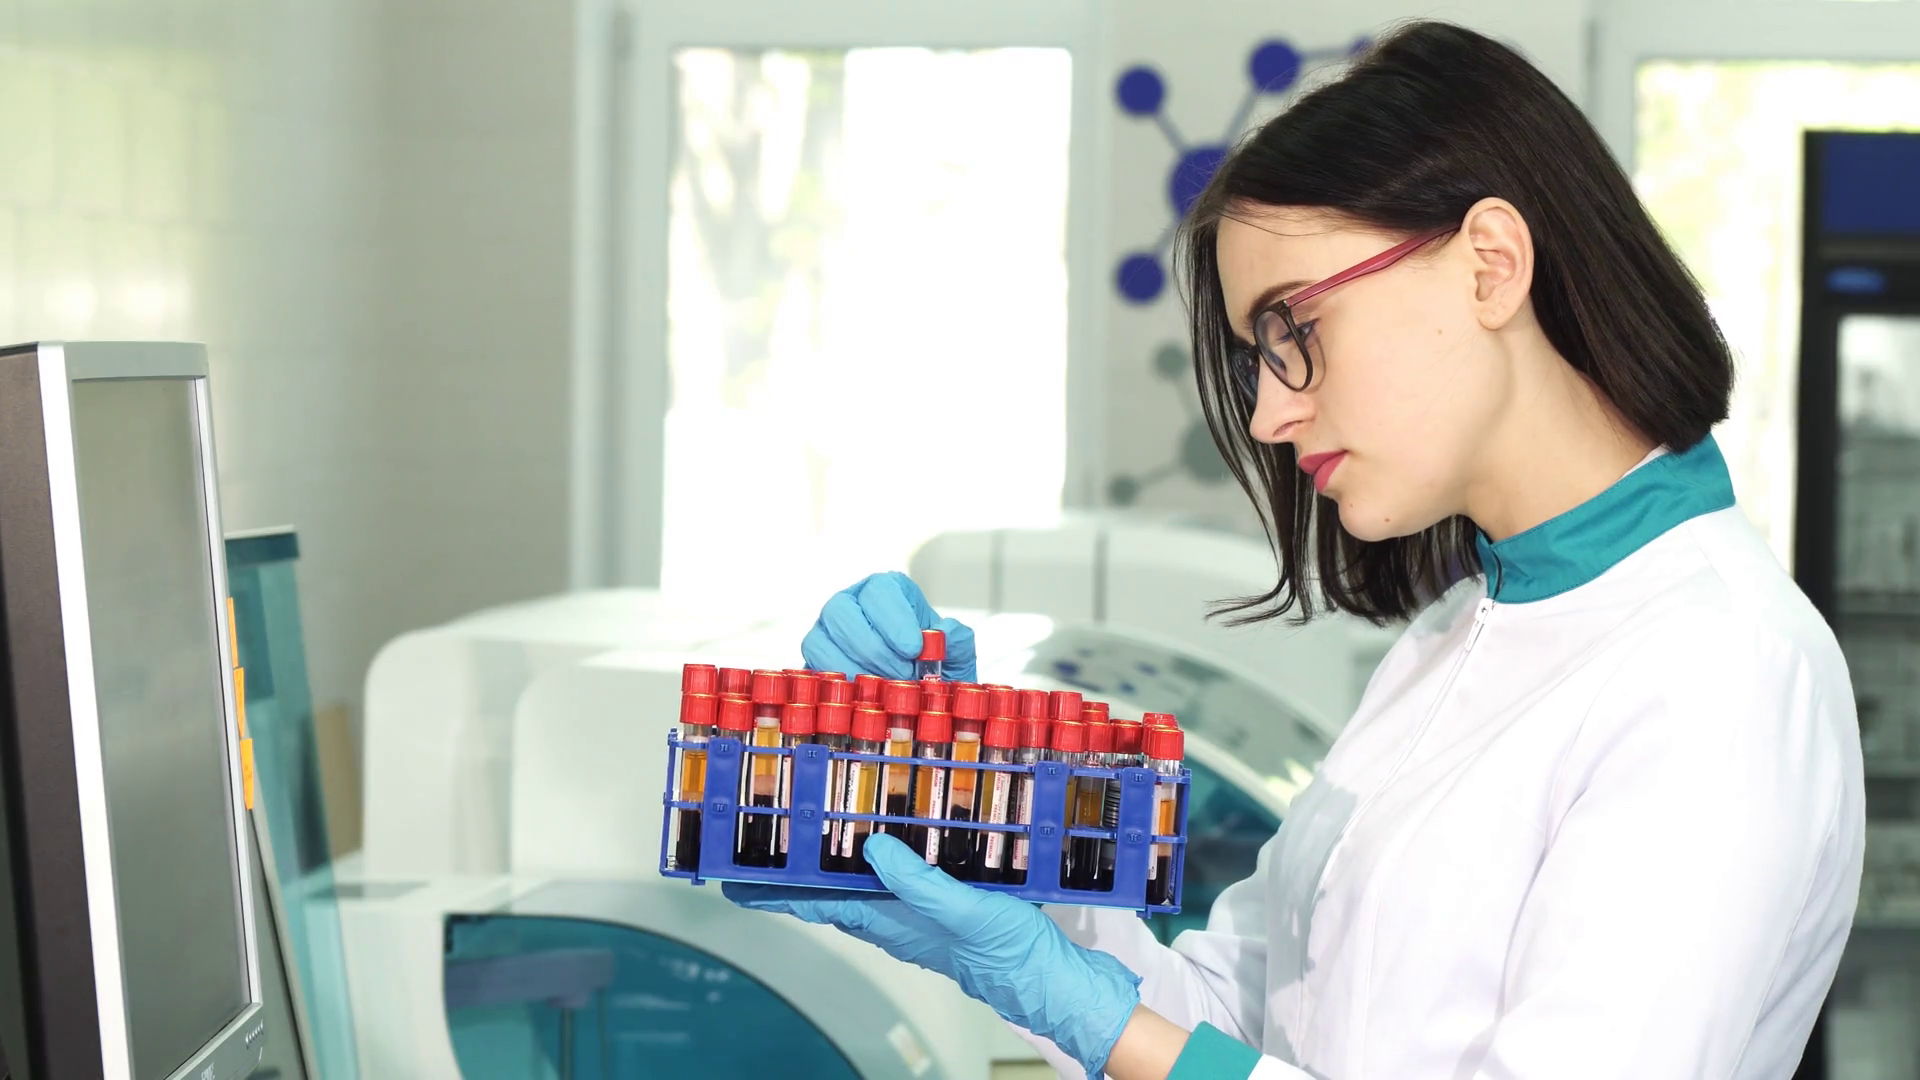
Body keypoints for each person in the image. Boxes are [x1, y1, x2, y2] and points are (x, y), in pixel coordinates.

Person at [727, 20, 1864, 1080]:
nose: (1270, 413)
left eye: (1296, 330)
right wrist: (985, 828)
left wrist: (1099, 1021)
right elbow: (1245, 1021)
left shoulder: (1718, 670)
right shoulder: (1455, 635)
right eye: (1256, 356)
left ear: (1490, 265)